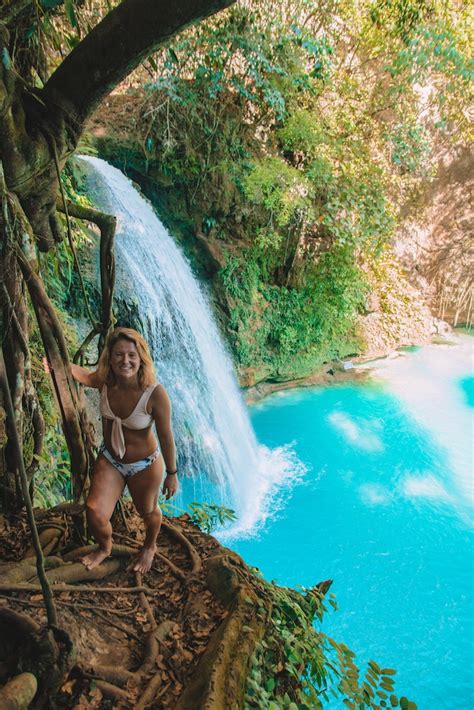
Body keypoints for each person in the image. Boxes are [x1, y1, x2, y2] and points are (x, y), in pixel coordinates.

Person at [69, 327, 179, 573]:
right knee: (95, 510)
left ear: (141, 358)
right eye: (119, 354)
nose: (125, 361)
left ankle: (150, 547)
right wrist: (57, 364)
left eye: (131, 355)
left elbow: (166, 436)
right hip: (111, 460)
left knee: (147, 511)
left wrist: (172, 473)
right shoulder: (105, 381)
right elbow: (85, 376)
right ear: (110, 356)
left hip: (145, 464)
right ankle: (105, 547)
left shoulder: (155, 393)